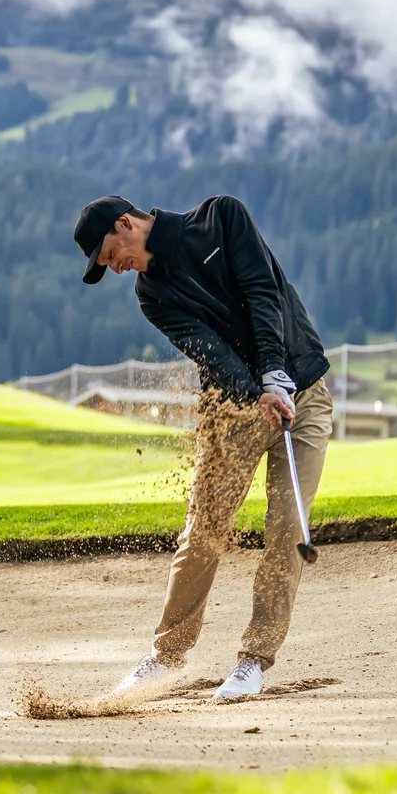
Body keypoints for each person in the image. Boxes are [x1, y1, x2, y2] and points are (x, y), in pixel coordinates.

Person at [73, 194, 332, 703]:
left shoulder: (221, 216)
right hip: (235, 406)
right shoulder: (152, 294)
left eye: (108, 255)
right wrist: (258, 390)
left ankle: (254, 661)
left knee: (287, 526)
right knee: (205, 531)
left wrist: (277, 372)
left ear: (125, 224)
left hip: (305, 389)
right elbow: (210, 351)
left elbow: (264, 291)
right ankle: (167, 656)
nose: (115, 268)